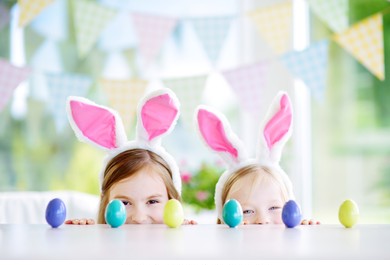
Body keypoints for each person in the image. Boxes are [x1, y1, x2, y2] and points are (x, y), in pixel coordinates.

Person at [65, 88, 196, 225]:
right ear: (106, 204)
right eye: (124, 203)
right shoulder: (100, 240)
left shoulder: (182, 241)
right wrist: (82, 235)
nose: (139, 218)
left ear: (172, 201)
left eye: (152, 201)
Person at [195, 91, 319, 225]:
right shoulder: (226, 244)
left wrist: (304, 231)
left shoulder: (292, 238)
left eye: (274, 208)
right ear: (223, 218)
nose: (263, 220)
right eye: (246, 211)